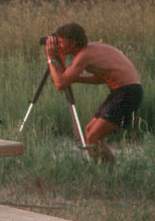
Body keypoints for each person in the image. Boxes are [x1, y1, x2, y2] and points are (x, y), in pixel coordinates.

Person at [44, 21, 142, 163]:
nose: (57, 45)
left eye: (60, 41)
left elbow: (60, 83)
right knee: (89, 130)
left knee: (93, 137)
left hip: (127, 92)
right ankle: (99, 167)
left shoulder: (84, 55)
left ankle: (111, 171)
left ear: (73, 42)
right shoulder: (92, 49)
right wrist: (76, 79)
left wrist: (51, 57)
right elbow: (101, 78)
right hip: (121, 91)